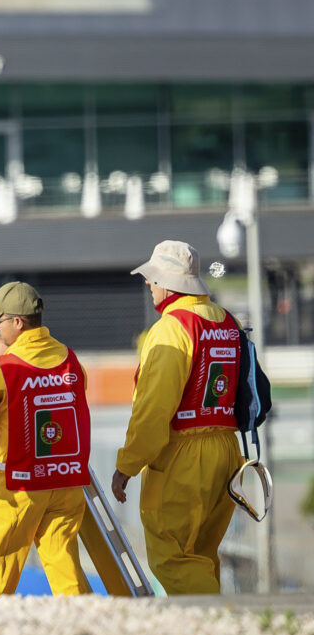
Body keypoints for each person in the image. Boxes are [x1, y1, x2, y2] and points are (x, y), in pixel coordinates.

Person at [0, 281, 92, 602]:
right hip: (65, 481)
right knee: (64, 564)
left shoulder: (5, 369)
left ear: (17, 323)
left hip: (18, 486)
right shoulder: (69, 358)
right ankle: (88, 628)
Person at [111, 240, 243, 594]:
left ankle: (213, 630)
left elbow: (154, 407)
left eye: (152, 278)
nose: (148, 284)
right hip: (227, 448)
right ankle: (220, 634)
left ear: (167, 284)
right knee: (202, 553)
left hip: (185, 454)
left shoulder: (172, 328)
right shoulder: (225, 320)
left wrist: (127, 465)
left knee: (173, 557)